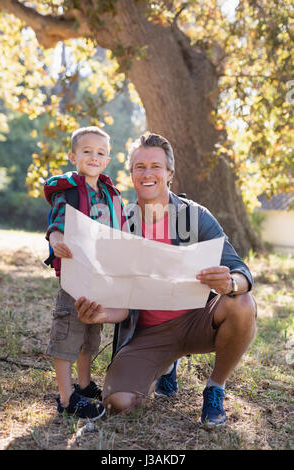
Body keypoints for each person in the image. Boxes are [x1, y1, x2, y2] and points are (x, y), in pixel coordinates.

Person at [75, 133, 257, 427]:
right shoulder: (119, 223)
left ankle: (215, 387)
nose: (148, 174)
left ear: (169, 173)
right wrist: (101, 314)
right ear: (131, 173)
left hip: (197, 319)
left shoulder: (195, 216)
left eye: (156, 167)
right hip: (147, 333)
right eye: (140, 166)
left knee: (242, 303)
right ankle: (165, 366)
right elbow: (118, 296)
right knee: (118, 404)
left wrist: (229, 284)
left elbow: (241, 271)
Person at [44, 126, 129, 420]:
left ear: (107, 160)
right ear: (73, 156)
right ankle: (67, 398)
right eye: (87, 151)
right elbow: (56, 221)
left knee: (92, 331)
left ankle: (83, 384)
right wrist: (56, 240)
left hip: (101, 276)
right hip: (75, 275)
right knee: (69, 331)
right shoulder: (68, 191)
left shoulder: (109, 193)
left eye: (100, 153)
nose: (94, 157)